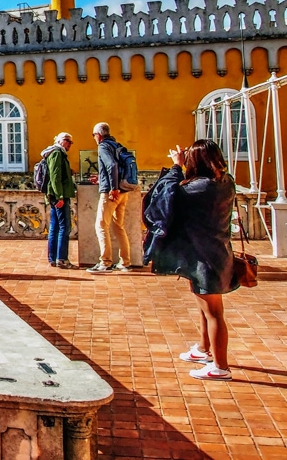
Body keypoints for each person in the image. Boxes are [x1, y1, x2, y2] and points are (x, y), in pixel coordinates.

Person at [144, 140, 237, 381]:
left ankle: (220, 367)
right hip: (216, 252)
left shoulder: (197, 190)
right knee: (204, 307)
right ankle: (203, 349)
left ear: (195, 162)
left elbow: (164, 195)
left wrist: (176, 167)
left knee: (214, 312)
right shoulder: (226, 183)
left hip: (205, 258)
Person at [87, 122, 132, 273]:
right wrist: (101, 179)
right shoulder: (116, 145)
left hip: (111, 193)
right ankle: (125, 262)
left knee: (100, 225)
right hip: (124, 192)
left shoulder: (103, 146)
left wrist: (113, 188)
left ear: (98, 135)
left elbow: (112, 166)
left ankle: (105, 262)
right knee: (119, 227)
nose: (94, 138)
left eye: (94, 135)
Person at [41, 132, 76, 268]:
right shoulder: (57, 153)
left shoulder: (56, 153)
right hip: (58, 196)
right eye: (68, 141)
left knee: (55, 227)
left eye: (71, 142)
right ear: (61, 141)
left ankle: (53, 258)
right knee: (64, 227)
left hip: (55, 195)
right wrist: (59, 196)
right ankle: (61, 259)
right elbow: (55, 176)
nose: (70, 144)